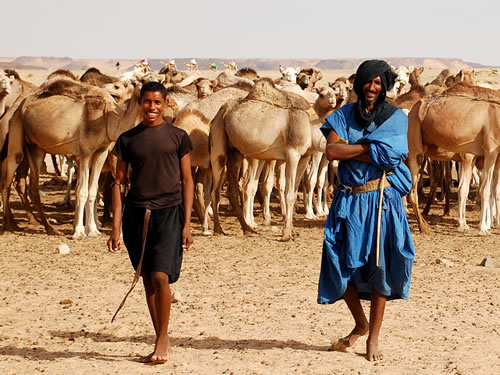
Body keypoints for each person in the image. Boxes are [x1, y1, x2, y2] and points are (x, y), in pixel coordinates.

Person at [317, 60, 415, 361]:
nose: (372, 87)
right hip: (349, 201)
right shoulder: (343, 115)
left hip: (381, 201)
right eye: (367, 82)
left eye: (378, 83)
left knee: (380, 267)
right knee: (338, 263)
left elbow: (393, 155)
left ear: (384, 86)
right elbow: (332, 151)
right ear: (359, 83)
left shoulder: (396, 118)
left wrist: (355, 147)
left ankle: (373, 337)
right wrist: (370, 148)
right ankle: (360, 322)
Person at [107, 81, 194, 364]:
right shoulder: (128, 139)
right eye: (147, 102)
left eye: (157, 102)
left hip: (170, 213)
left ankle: (163, 337)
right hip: (137, 215)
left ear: (166, 103)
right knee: (146, 279)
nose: (152, 108)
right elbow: (119, 183)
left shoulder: (178, 137)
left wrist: (187, 223)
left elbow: (188, 180)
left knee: (160, 276)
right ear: (140, 103)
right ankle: (159, 335)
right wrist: (115, 227)